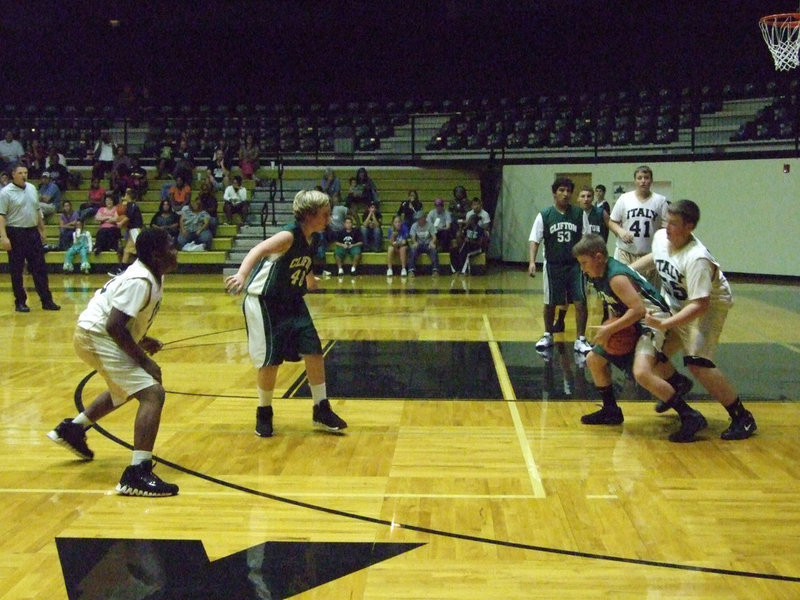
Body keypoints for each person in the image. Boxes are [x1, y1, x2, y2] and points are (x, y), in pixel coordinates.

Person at [47, 227, 180, 497]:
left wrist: (141, 339)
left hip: (96, 333)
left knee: (128, 388)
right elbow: (114, 325)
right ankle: (137, 473)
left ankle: (74, 429)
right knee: (152, 393)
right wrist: (144, 360)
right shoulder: (140, 280)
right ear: (156, 254)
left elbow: (121, 319)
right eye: (170, 246)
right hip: (94, 336)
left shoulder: (152, 274)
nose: (176, 250)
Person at [224, 189, 347, 438]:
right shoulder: (287, 235)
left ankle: (321, 407)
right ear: (310, 215)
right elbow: (258, 250)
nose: (328, 218)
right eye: (325, 214)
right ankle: (264, 412)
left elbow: (305, 262)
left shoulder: (311, 238)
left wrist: (310, 281)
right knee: (270, 360)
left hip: (292, 299)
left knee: (314, 349)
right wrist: (241, 275)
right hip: (266, 302)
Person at [632, 199, 757, 440]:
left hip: (708, 307)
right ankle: (677, 383)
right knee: (657, 358)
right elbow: (654, 257)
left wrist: (666, 324)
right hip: (678, 303)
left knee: (698, 363)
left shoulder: (697, 258)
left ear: (689, 227)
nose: (667, 227)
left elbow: (700, 305)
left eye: (674, 223)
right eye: (666, 220)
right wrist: (626, 271)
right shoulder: (661, 237)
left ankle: (742, 417)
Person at [572, 234, 703, 442]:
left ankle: (690, 416)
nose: (582, 268)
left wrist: (609, 329)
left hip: (651, 321)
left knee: (642, 372)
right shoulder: (597, 275)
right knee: (594, 359)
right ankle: (611, 410)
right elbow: (617, 306)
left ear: (598, 257)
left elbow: (638, 310)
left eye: (584, 263)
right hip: (634, 321)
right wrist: (611, 326)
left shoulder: (616, 277)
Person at [528, 177, 591, 355]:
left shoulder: (579, 214)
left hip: (575, 265)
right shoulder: (545, 215)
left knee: (580, 300)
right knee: (550, 302)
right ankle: (548, 334)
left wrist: (588, 262)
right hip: (553, 264)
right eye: (562, 190)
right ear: (555, 193)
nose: (565, 194)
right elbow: (534, 239)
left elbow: (587, 238)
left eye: (569, 191)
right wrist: (532, 262)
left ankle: (581, 339)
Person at [0, 165, 61, 312]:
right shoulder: (5, 193)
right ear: (13, 175)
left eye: (25, 172)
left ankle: (47, 301)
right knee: (17, 269)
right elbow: (1, 215)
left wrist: (42, 229)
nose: (24, 175)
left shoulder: (32, 188)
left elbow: (37, 209)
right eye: (20, 173)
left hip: (32, 232)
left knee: (40, 267)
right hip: (15, 232)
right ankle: (20, 302)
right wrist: (3, 237)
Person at [608, 165, 667, 285]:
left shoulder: (660, 201)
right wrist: (621, 231)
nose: (643, 181)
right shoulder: (624, 198)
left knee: (649, 291)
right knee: (624, 288)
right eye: (639, 178)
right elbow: (611, 222)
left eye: (646, 177)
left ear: (651, 180)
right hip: (625, 251)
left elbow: (665, 227)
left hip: (649, 253)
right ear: (635, 181)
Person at [408, 210, 439, 276]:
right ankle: (411, 270)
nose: (419, 220)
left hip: (428, 244)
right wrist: (415, 242)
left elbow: (434, 236)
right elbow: (412, 237)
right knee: (413, 250)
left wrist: (432, 242)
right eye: (418, 219)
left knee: (434, 250)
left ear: (424, 218)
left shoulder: (430, 225)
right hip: (419, 244)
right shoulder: (414, 226)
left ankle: (435, 270)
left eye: (420, 218)